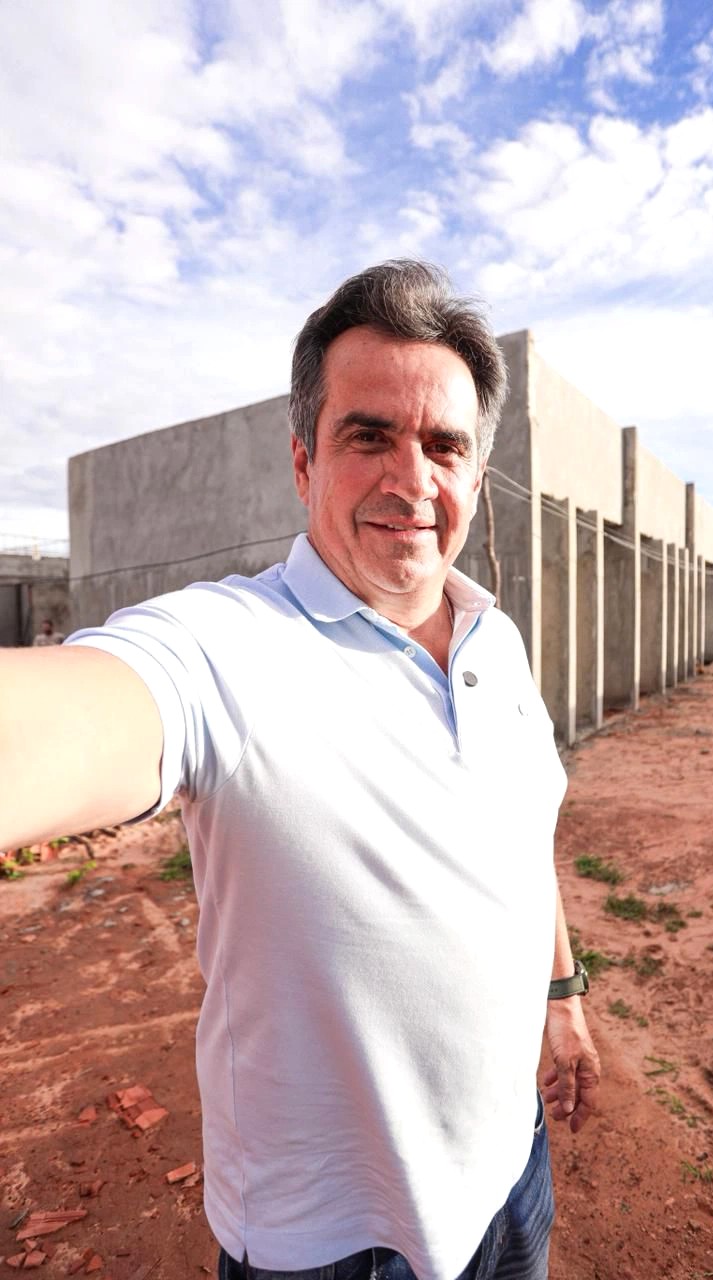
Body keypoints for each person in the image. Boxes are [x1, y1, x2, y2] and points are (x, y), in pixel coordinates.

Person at [1, 260, 600, 1280]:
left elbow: (519, 838)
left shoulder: (494, 638)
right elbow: (83, 711)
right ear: (302, 462)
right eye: (368, 436)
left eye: (444, 445)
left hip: (514, 1178)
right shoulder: (229, 647)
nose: (412, 479)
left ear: (473, 473)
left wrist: (563, 994)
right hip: (336, 1243)